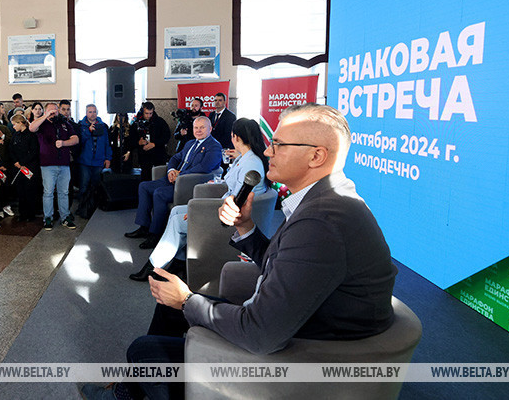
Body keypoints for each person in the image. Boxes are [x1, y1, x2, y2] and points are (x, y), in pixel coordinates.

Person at [90, 103, 397, 400]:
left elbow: (259, 334)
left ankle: (143, 385)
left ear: (316, 156)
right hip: (293, 319)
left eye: (278, 145)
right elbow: (284, 264)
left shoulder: (322, 221)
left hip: (298, 348)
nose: (267, 152)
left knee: (143, 350)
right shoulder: (327, 200)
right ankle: (130, 389)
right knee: (165, 311)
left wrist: (187, 300)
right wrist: (246, 226)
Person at [129, 117, 269, 281]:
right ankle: (179, 261)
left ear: (236, 137)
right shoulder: (246, 158)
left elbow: (235, 202)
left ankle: (154, 265)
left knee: (177, 221)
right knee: (175, 211)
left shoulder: (250, 163)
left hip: (228, 217)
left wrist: (198, 210)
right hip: (222, 208)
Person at [125, 116, 221, 248]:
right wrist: (171, 170)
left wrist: (180, 174)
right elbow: (176, 158)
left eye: (202, 127)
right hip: (173, 178)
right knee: (144, 186)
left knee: (159, 193)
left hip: (187, 184)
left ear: (210, 129)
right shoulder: (190, 143)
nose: (198, 130)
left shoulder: (214, 146)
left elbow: (205, 167)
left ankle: (155, 234)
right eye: (196, 127)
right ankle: (144, 227)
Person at [29, 102, 78, 230]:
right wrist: (45, 116)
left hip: (64, 164)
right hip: (47, 164)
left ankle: (65, 217)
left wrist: (63, 143)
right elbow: (32, 128)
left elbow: (75, 139)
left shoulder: (64, 124)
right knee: (48, 192)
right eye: (50, 111)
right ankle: (48, 218)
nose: (53, 113)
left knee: (63, 192)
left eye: (55, 111)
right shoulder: (42, 123)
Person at [76, 104, 111, 218]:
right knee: (84, 186)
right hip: (85, 162)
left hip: (99, 162)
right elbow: (80, 142)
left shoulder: (103, 126)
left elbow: (107, 143)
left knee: (96, 186)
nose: (92, 114)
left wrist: (108, 158)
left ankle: (94, 207)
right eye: (90, 112)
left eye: (94, 112)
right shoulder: (81, 126)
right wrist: (89, 131)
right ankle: (82, 207)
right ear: (86, 113)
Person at [8, 114, 41, 222]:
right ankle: (22, 214)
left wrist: (22, 162)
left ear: (20, 123)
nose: (13, 127)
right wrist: (16, 162)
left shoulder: (31, 135)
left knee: (30, 191)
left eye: (14, 124)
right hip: (18, 167)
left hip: (29, 167)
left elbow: (34, 152)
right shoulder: (15, 135)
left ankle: (31, 214)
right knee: (20, 191)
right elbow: (11, 149)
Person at [130, 102, 171, 181]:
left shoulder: (159, 121)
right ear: (142, 111)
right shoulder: (136, 123)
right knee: (145, 177)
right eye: (146, 113)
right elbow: (131, 139)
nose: (148, 116)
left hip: (158, 155)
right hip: (144, 156)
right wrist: (138, 142)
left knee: (159, 177)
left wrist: (154, 144)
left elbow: (166, 136)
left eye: (150, 113)